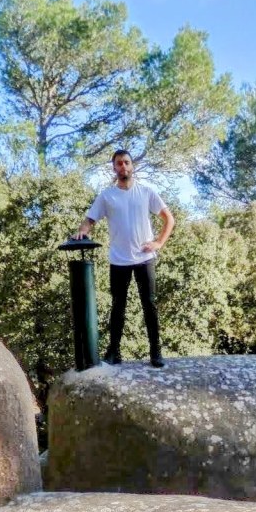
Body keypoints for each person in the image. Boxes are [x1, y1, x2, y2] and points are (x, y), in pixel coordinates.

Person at [73, 149, 175, 368]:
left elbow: (169, 219)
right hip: (118, 260)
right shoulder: (107, 196)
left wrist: (158, 243)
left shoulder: (146, 192)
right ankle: (114, 353)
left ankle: (156, 353)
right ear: (114, 168)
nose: (123, 167)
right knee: (118, 306)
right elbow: (89, 220)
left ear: (132, 166)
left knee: (150, 305)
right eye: (119, 163)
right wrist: (82, 232)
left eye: (127, 163)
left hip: (144, 259)